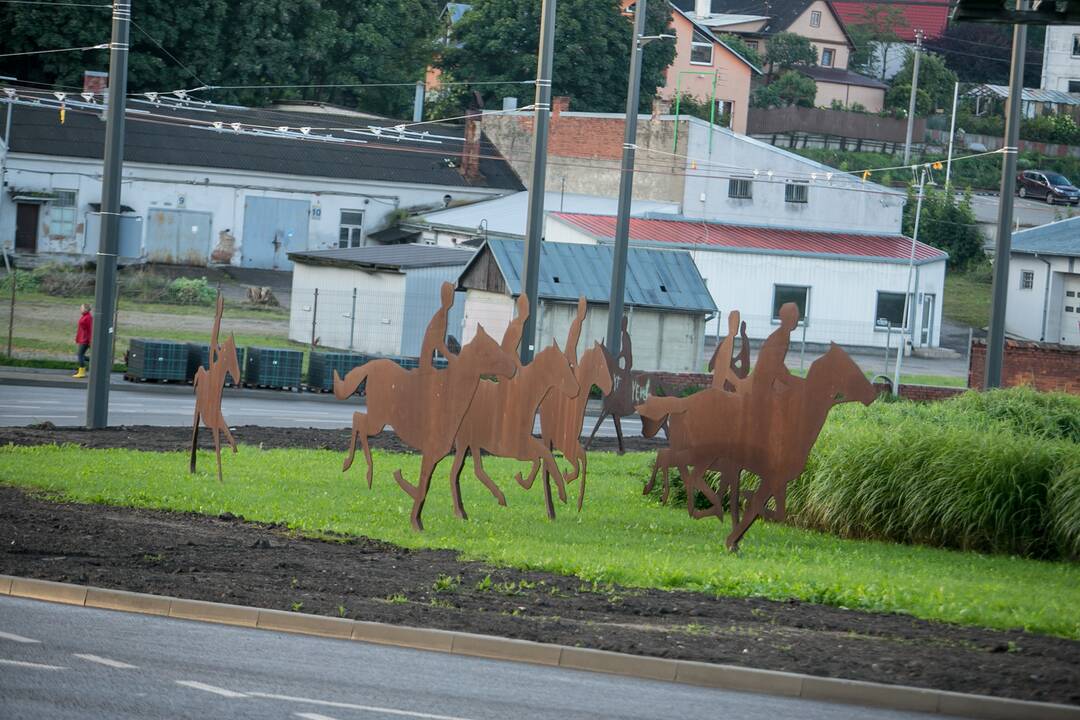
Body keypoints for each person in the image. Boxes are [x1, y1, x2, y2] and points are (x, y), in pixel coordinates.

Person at [74, 303, 92, 378]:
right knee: (80, 355)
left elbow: (90, 330)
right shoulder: (84, 316)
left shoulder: (88, 317)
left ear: (86, 309)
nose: (80, 309)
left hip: (85, 339)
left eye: (81, 308)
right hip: (82, 338)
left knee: (80, 355)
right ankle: (94, 361)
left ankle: (82, 372)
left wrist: (90, 340)